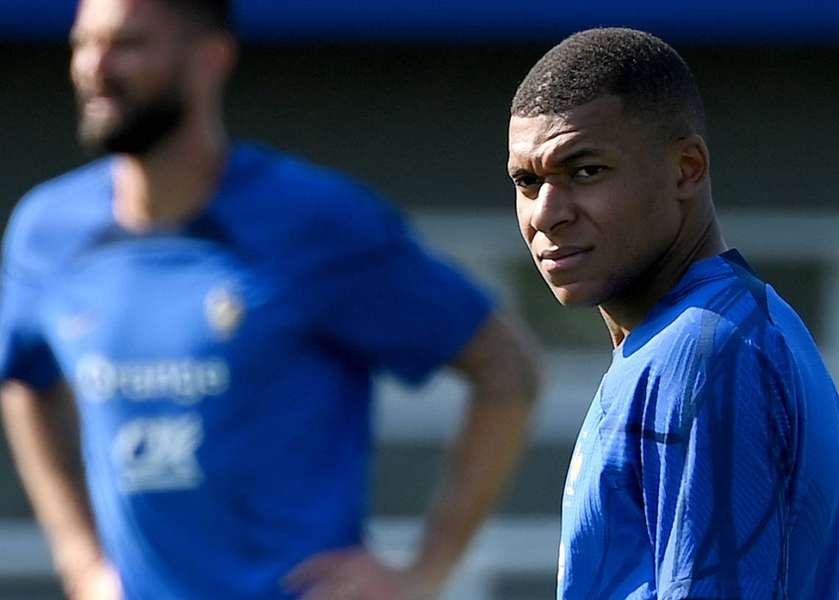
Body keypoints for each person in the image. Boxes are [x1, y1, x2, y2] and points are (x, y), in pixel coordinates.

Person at [0, 0, 541, 598]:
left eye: (127, 44)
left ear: (210, 58)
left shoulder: (317, 222)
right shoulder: (47, 233)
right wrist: (79, 558)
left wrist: (426, 569)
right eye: (83, 44)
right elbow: (23, 373)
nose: (94, 67)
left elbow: (506, 369)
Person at [507, 28, 839, 599]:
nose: (546, 214)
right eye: (528, 182)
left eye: (585, 171)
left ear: (686, 168)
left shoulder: (706, 353)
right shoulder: (697, 337)